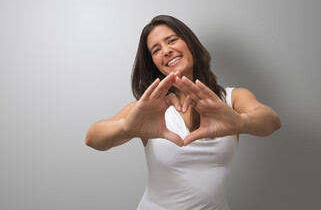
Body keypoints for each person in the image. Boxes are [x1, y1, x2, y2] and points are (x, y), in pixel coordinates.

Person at [85, 15, 281, 209]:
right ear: (153, 62)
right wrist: (127, 129)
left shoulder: (231, 99)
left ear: (190, 43)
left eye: (172, 40)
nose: (167, 51)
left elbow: (271, 121)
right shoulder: (150, 108)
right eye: (156, 50)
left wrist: (240, 123)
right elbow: (93, 138)